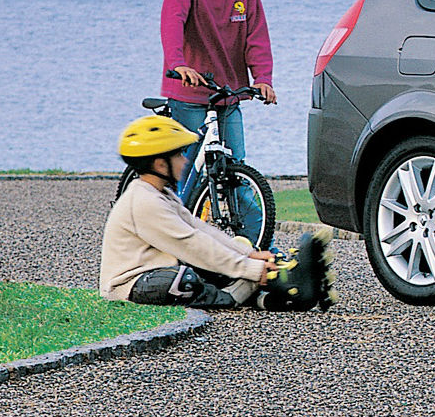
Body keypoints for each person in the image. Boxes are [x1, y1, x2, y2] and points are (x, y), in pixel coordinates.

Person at [101, 115, 333, 310]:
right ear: (161, 164)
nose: (184, 161)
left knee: (226, 256)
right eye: (179, 155)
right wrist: (252, 270)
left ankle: (283, 289)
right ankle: (238, 295)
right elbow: (192, 244)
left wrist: (249, 254)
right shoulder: (143, 202)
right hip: (133, 285)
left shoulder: (160, 194)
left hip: (161, 267)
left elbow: (200, 230)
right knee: (183, 280)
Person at [159, 0, 275, 217]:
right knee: (188, 175)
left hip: (228, 93)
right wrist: (179, 64)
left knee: (237, 172)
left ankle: (259, 245)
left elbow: (257, 35)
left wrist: (262, 77)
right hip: (189, 93)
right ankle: (173, 238)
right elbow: (172, 23)